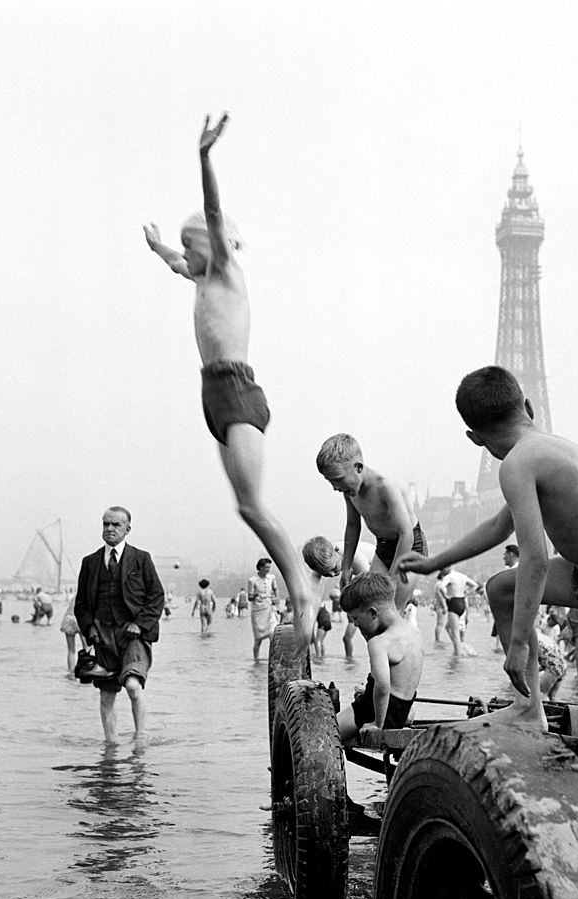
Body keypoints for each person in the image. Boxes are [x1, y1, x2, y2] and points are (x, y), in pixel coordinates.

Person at [398, 366, 578, 846]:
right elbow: (500, 529)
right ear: (529, 409)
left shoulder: (516, 463)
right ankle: (530, 708)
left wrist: (519, 644)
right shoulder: (541, 448)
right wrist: (435, 560)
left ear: (475, 437)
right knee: (499, 588)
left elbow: (536, 556)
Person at [143, 112, 315, 649]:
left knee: (250, 505)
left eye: (186, 245)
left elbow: (212, 215)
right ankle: (301, 589)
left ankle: (303, 591)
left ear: (207, 246)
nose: (185, 254)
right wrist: (156, 248)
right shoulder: (197, 275)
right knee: (243, 505)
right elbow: (177, 261)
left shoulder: (223, 270)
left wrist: (204, 157)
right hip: (212, 394)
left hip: (237, 389)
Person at [74, 507, 165, 743]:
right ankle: (111, 745)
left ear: (128, 529)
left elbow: (156, 597)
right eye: (106, 524)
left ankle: (140, 736)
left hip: (133, 635)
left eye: (116, 525)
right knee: (107, 693)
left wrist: (140, 624)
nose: (110, 529)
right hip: (102, 636)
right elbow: (81, 603)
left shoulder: (141, 559)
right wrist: (89, 629)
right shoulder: (90, 562)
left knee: (133, 686)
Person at [316, 433, 428, 609]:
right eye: (331, 482)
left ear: (358, 467)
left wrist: (391, 578)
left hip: (409, 549)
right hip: (383, 548)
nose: (336, 488)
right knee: (368, 608)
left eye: (338, 480)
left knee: (390, 611)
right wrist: (346, 568)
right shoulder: (350, 491)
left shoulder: (385, 487)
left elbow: (406, 535)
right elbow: (353, 527)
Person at [335, 573, 423, 746]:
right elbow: (402, 678)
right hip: (401, 710)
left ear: (373, 613)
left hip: (377, 712)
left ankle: (285, 769)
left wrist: (377, 724)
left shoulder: (379, 643)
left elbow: (382, 686)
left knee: (322, 732)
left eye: (355, 618)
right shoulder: (414, 632)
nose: (355, 625)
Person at [300, 536, 372, 659]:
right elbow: (310, 597)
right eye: (326, 573)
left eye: (333, 568)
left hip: (381, 566)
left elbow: (370, 590)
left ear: (336, 552)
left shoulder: (356, 559)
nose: (333, 574)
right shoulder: (321, 558)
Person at [247, 557, 278, 661]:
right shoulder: (252, 580)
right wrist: (255, 594)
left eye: (269, 567)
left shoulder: (272, 577)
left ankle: (273, 658)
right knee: (258, 639)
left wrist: (276, 599)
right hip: (258, 610)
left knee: (273, 633)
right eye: (266, 567)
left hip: (269, 608)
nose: (268, 570)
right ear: (260, 567)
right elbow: (250, 597)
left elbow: (275, 589)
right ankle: (256, 660)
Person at [443, 566, 479, 656]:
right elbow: (475, 586)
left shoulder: (448, 577)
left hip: (454, 602)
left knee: (455, 631)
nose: (441, 571)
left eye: (442, 568)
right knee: (447, 627)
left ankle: (458, 655)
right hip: (462, 602)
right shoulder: (462, 576)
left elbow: (441, 587)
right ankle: (459, 646)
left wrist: (446, 596)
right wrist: (466, 594)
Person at [59, 597, 81, 675]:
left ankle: (71, 672)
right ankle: (85, 669)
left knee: (71, 650)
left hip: (68, 618)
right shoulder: (87, 594)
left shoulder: (74, 597)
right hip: (79, 618)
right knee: (87, 648)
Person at [431, 569, 449, 644]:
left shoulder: (438, 584)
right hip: (441, 605)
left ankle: (437, 638)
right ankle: (437, 639)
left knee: (439, 623)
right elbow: (441, 597)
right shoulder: (440, 584)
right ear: (443, 576)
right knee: (440, 623)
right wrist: (444, 606)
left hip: (438, 605)